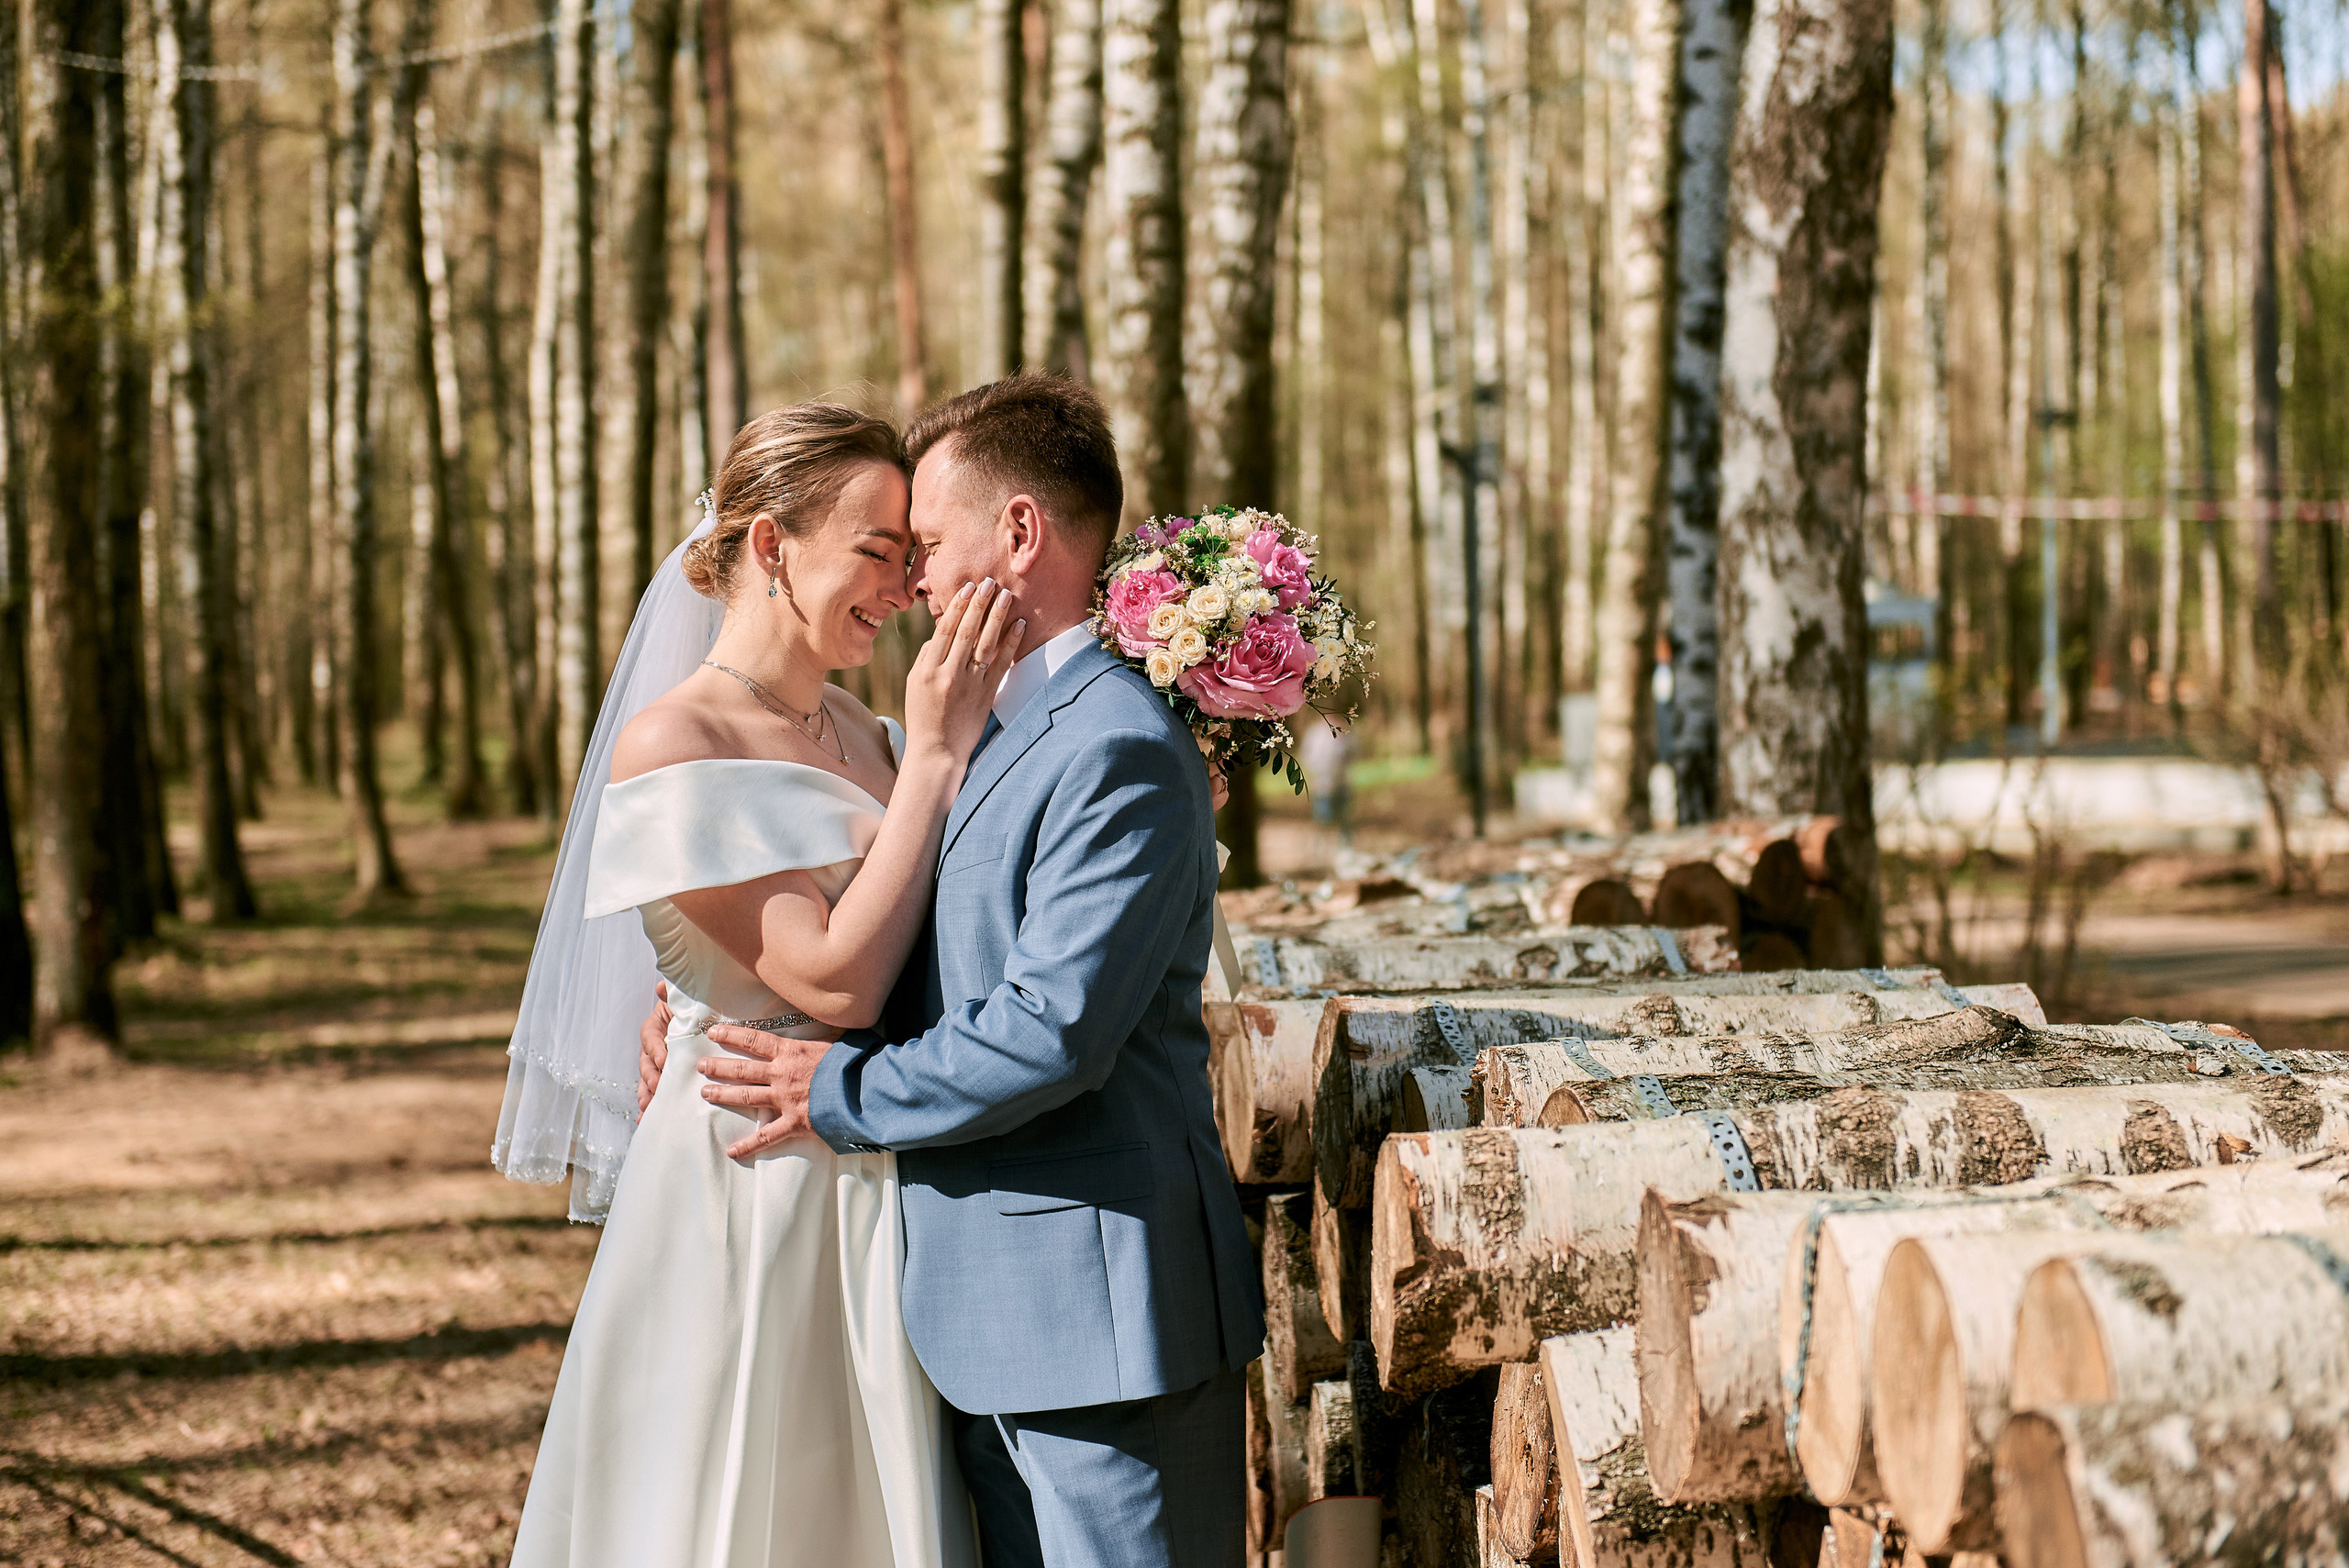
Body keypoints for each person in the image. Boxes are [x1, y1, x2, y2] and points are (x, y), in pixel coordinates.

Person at [639, 375, 1263, 1568]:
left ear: (1018, 534)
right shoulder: (982, 728)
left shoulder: (1114, 744)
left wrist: (832, 1094)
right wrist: (699, 999)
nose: (912, 580)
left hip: (1100, 1321)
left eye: (924, 544)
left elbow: (1050, 1030)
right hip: (975, 1316)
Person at [501, 401, 1013, 1567]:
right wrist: (935, 755)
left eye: (911, 557)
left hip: (871, 1156)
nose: (901, 589)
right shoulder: (677, 740)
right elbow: (831, 975)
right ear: (773, 546)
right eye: (876, 553)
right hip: (748, 1174)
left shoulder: (866, 727)